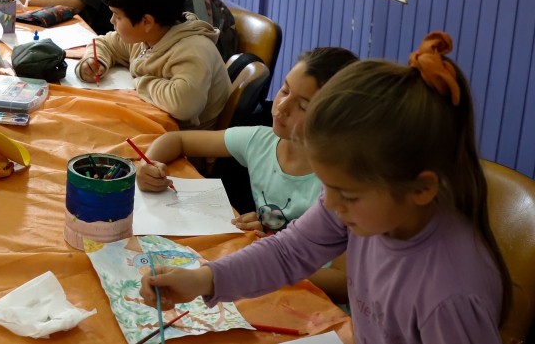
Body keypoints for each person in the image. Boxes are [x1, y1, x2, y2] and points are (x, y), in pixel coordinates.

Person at [140, 32, 511, 343]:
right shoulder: (372, 210)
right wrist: (203, 279)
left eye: (346, 194)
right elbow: (289, 252)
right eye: (326, 186)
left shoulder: (449, 297)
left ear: (421, 189)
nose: (329, 204)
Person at [137, 46, 359, 301]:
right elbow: (176, 140)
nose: (282, 107)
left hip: (313, 301)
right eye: (284, 90)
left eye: (304, 106)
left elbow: (345, 283)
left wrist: (268, 254)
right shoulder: (261, 141)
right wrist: (149, 164)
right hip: (264, 277)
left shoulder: (341, 187)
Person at [76, 0, 230, 128]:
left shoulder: (193, 50)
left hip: (187, 145)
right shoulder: (145, 37)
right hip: (155, 123)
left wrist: (139, 80)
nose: (112, 20)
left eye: (118, 16)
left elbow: (183, 104)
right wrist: (94, 61)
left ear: (147, 22)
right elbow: (104, 43)